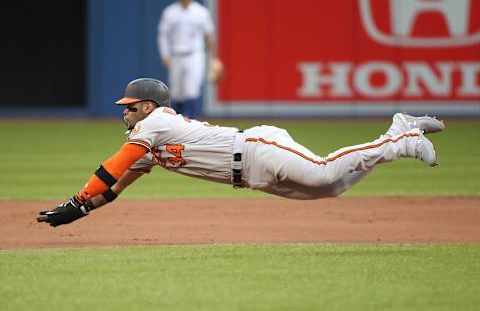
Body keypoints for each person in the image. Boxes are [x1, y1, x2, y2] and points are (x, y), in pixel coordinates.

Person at [37, 78, 445, 227]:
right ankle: (396, 132)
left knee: (322, 172)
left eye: (128, 105)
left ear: (146, 106)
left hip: (254, 148)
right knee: (332, 188)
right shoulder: (153, 140)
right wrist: (84, 209)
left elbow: (114, 164)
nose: (123, 111)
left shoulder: (156, 121)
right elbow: (117, 184)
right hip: (250, 176)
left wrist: (79, 198)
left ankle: (401, 140)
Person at [157, 0, 219, 119]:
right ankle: (176, 122)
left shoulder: (201, 12)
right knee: (176, 92)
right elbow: (163, 35)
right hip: (176, 55)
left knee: (191, 89)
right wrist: (165, 54)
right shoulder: (170, 12)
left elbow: (209, 35)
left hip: (195, 54)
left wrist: (213, 59)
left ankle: (191, 121)